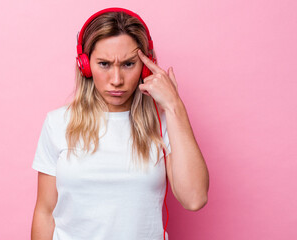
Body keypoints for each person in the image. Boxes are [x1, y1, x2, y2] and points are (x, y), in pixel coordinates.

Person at [31, 8, 209, 240]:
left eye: (128, 64)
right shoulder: (57, 123)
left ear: (146, 66)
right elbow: (45, 213)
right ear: (85, 65)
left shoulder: (164, 123)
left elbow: (194, 198)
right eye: (104, 64)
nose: (116, 80)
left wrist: (175, 106)